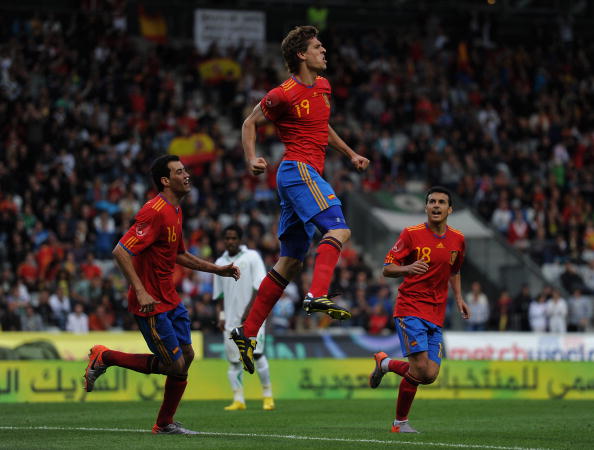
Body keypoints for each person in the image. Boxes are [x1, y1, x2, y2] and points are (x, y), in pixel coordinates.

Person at [231, 25, 370, 373]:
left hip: (305, 175)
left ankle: (246, 333)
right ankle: (316, 295)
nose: (324, 51)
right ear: (301, 55)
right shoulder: (282, 94)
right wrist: (251, 158)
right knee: (339, 231)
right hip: (297, 171)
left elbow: (323, 128)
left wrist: (350, 153)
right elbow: (250, 123)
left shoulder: (323, 87)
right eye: (317, 46)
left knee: (289, 263)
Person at [83, 155, 240, 435]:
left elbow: (179, 254)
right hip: (150, 303)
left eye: (185, 170)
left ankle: (165, 423)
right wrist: (141, 291)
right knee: (173, 364)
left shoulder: (176, 211)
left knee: (186, 357)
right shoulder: (154, 211)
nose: (187, 175)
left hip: (170, 298)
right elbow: (120, 251)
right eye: (180, 172)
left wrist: (217, 270)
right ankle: (105, 357)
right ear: (166, 181)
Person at [367, 186, 470, 433]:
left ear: (449, 209)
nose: (436, 206)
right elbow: (387, 268)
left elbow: (454, 270)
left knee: (429, 375)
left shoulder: (458, 239)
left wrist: (458, 298)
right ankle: (399, 423)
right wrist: (407, 268)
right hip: (410, 307)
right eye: (432, 202)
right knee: (420, 368)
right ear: (425, 208)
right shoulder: (411, 234)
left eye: (441, 202)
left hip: (436, 312)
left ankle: (385, 364)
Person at [213, 224, 274, 411]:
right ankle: (238, 400)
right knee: (233, 361)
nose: (230, 241)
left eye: (234, 238)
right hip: (231, 321)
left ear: (240, 240)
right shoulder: (219, 262)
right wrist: (221, 316)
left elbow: (260, 286)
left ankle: (267, 396)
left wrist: (250, 310)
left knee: (257, 354)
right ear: (224, 240)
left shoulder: (252, 257)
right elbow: (219, 296)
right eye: (227, 238)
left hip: (253, 319)